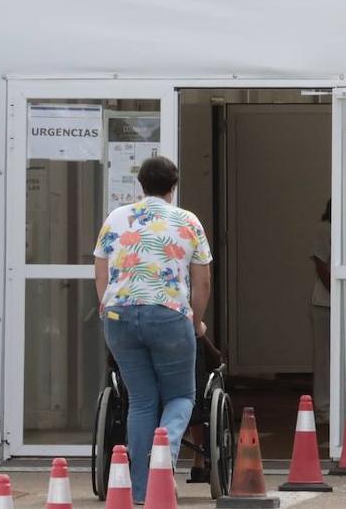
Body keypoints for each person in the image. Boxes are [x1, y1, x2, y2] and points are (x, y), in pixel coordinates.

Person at [93, 156, 212, 504]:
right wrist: (196, 320)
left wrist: (108, 308)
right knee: (180, 396)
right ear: (173, 187)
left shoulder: (116, 218)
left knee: (142, 401)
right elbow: (202, 280)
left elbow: (101, 272)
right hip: (168, 315)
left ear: (140, 185)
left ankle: (144, 491)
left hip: (119, 317)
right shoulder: (187, 221)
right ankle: (164, 462)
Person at [310, 200, 331, 423]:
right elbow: (321, 264)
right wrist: (336, 292)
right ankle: (323, 407)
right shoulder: (324, 229)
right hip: (325, 303)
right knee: (325, 357)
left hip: (338, 302)